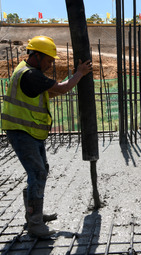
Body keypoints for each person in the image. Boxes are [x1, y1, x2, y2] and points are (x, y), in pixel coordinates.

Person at [1, 36, 92, 238]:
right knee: (37, 172)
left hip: (30, 131)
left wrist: (69, 81)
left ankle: (35, 214)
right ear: (37, 56)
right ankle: (34, 223)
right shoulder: (30, 74)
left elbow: (48, 92)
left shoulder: (26, 71)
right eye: (49, 61)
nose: (50, 65)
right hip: (21, 131)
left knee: (41, 170)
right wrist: (79, 74)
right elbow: (61, 88)